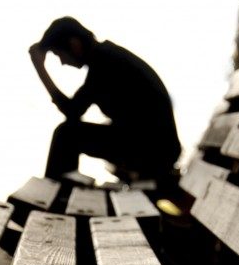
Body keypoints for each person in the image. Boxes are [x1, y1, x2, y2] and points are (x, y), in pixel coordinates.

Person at [29, 17, 182, 184]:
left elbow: (72, 112)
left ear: (74, 44)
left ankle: (49, 198)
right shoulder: (106, 57)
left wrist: (40, 69)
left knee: (66, 135)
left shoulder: (104, 63)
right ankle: (57, 193)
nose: (63, 62)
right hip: (156, 147)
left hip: (155, 153)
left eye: (59, 55)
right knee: (69, 133)